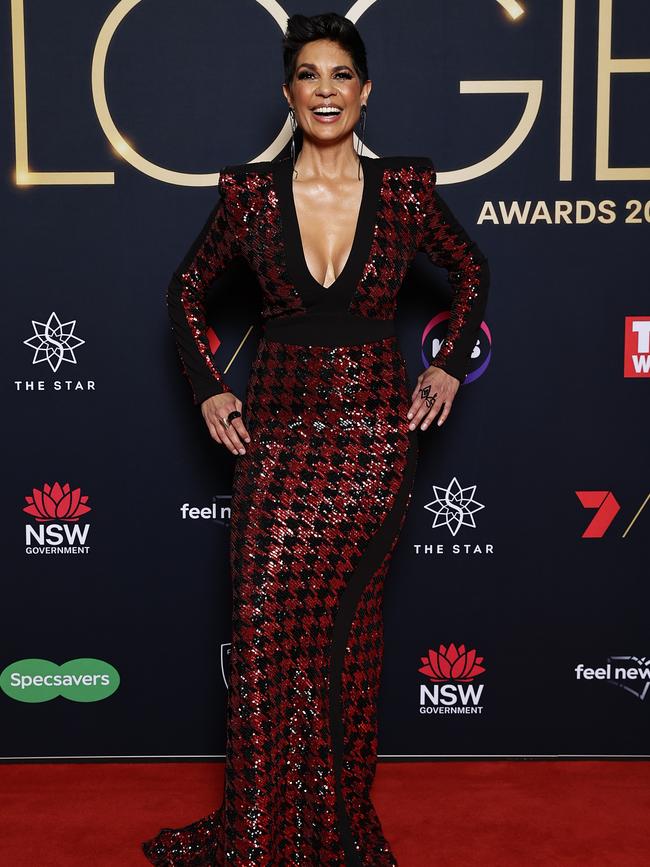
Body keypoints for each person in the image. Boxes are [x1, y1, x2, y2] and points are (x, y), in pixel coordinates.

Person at [142, 11, 489, 867]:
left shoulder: (405, 190)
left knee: (348, 641)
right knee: (265, 636)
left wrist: (446, 362)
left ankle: (330, 824)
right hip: (281, 442)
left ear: (365, 94)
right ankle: (262, 829)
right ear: (287, 93)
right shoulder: (250, 195)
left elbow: (473, 268)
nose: (325, 90)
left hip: (373, 445)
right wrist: (212, 387)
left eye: (341, 75)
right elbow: (184, 291)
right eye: (308, 75)